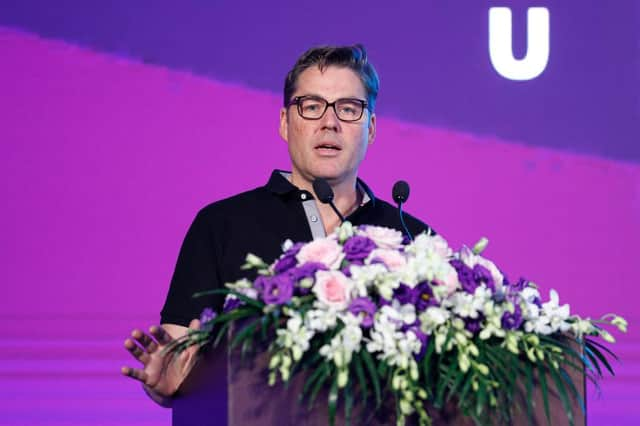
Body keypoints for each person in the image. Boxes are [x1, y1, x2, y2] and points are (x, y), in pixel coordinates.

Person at [121, 44, 434, 407]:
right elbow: (176, 353)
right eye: (312, 106)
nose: (329, 122)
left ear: (372, 128)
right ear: (285, 123)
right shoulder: (222, 225)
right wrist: (167, 382)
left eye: (348, 109)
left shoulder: (413, 239)